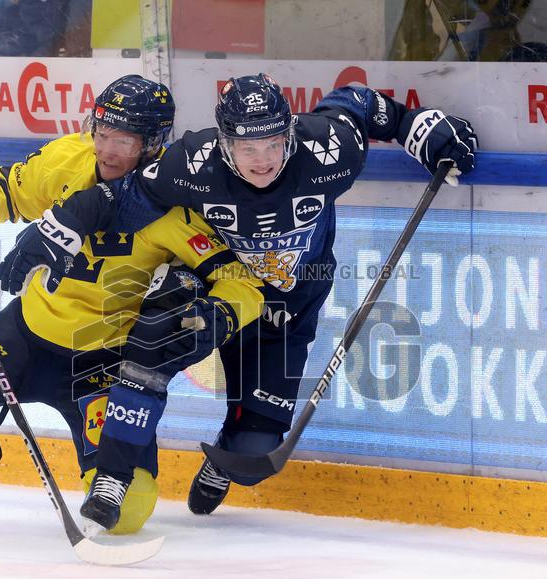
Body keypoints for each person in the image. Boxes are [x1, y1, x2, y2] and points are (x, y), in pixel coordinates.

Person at [43, 73, 477, 533]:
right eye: (248, 148)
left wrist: (421, 128)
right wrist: (57, 228)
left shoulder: (329, 147)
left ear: (289, 130)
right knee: (155, 337)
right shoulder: (192, 161)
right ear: (224, 143)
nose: (263, 159)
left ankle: (225, 457)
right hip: (216, 285)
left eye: (273, 143)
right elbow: (123, 199)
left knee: (255, 449)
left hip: (287, 306)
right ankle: (112, 476)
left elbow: (359, 101)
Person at [0, 74, 263, 536]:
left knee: (131, 510)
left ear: (155, 144)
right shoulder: (69, 158)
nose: (108, 151)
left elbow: (241, 281)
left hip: (105, 365)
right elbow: (8, 188)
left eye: (125, 140)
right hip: (24, 337)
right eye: (102, 133)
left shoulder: (179, 207)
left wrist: (220, 312)